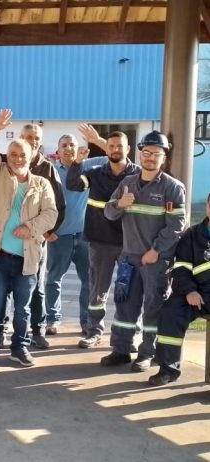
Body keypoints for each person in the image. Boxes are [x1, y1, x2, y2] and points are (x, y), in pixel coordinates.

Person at [0, 96, 58, 367]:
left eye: (23, 154)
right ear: (7, 157)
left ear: (32, 156)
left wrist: (30, 228)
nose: (18, 158)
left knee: (22, 309)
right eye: (13, 154)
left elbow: (51, 214)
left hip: (28, 257)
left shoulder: (42, 184)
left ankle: (19, 348)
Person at [101, 130, 186, 372]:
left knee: (153, 309)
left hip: (156, 261)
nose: (150, 157)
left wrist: (156, 250)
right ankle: (121, 350)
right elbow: (108, 212)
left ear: (164, 157)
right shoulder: (127, 183)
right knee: (125, 307)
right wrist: (120, 204)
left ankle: (147, 353)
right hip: (129, 259)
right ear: (140, 154)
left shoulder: (172, 188)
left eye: (156, 153)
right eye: (146, 152)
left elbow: (177, 226)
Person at [66, 126, 140, 348]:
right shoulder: (95, 172)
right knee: (97, 291)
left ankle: (129, 335)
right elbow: (73, 184)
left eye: (120, 146)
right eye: (111, 146)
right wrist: (77, 163)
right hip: (100, 242)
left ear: (128, 149)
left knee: (130, 291)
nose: (115, 150)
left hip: (130, 243)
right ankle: (94, 332)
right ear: (106, 149)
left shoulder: (138, 175)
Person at [44, 134, 107, 337]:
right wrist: (46, 231)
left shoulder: (88, 166)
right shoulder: (50, 171)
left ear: (78, 148)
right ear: (58, 150)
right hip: (58, 236)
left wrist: (97, 140)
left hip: (85, 236)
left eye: (72, 145)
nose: (68, 148)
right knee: (53, 279)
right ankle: (52, 319)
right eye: (64, 145)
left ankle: (86, 321)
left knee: (88, 280)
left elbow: (116, 156)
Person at [148, 193, 210, 386]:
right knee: (170, 312)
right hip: (196, 294)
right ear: (207, 206)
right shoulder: (192, 234)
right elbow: (181, 268)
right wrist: (190, 291)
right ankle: (168, 370)